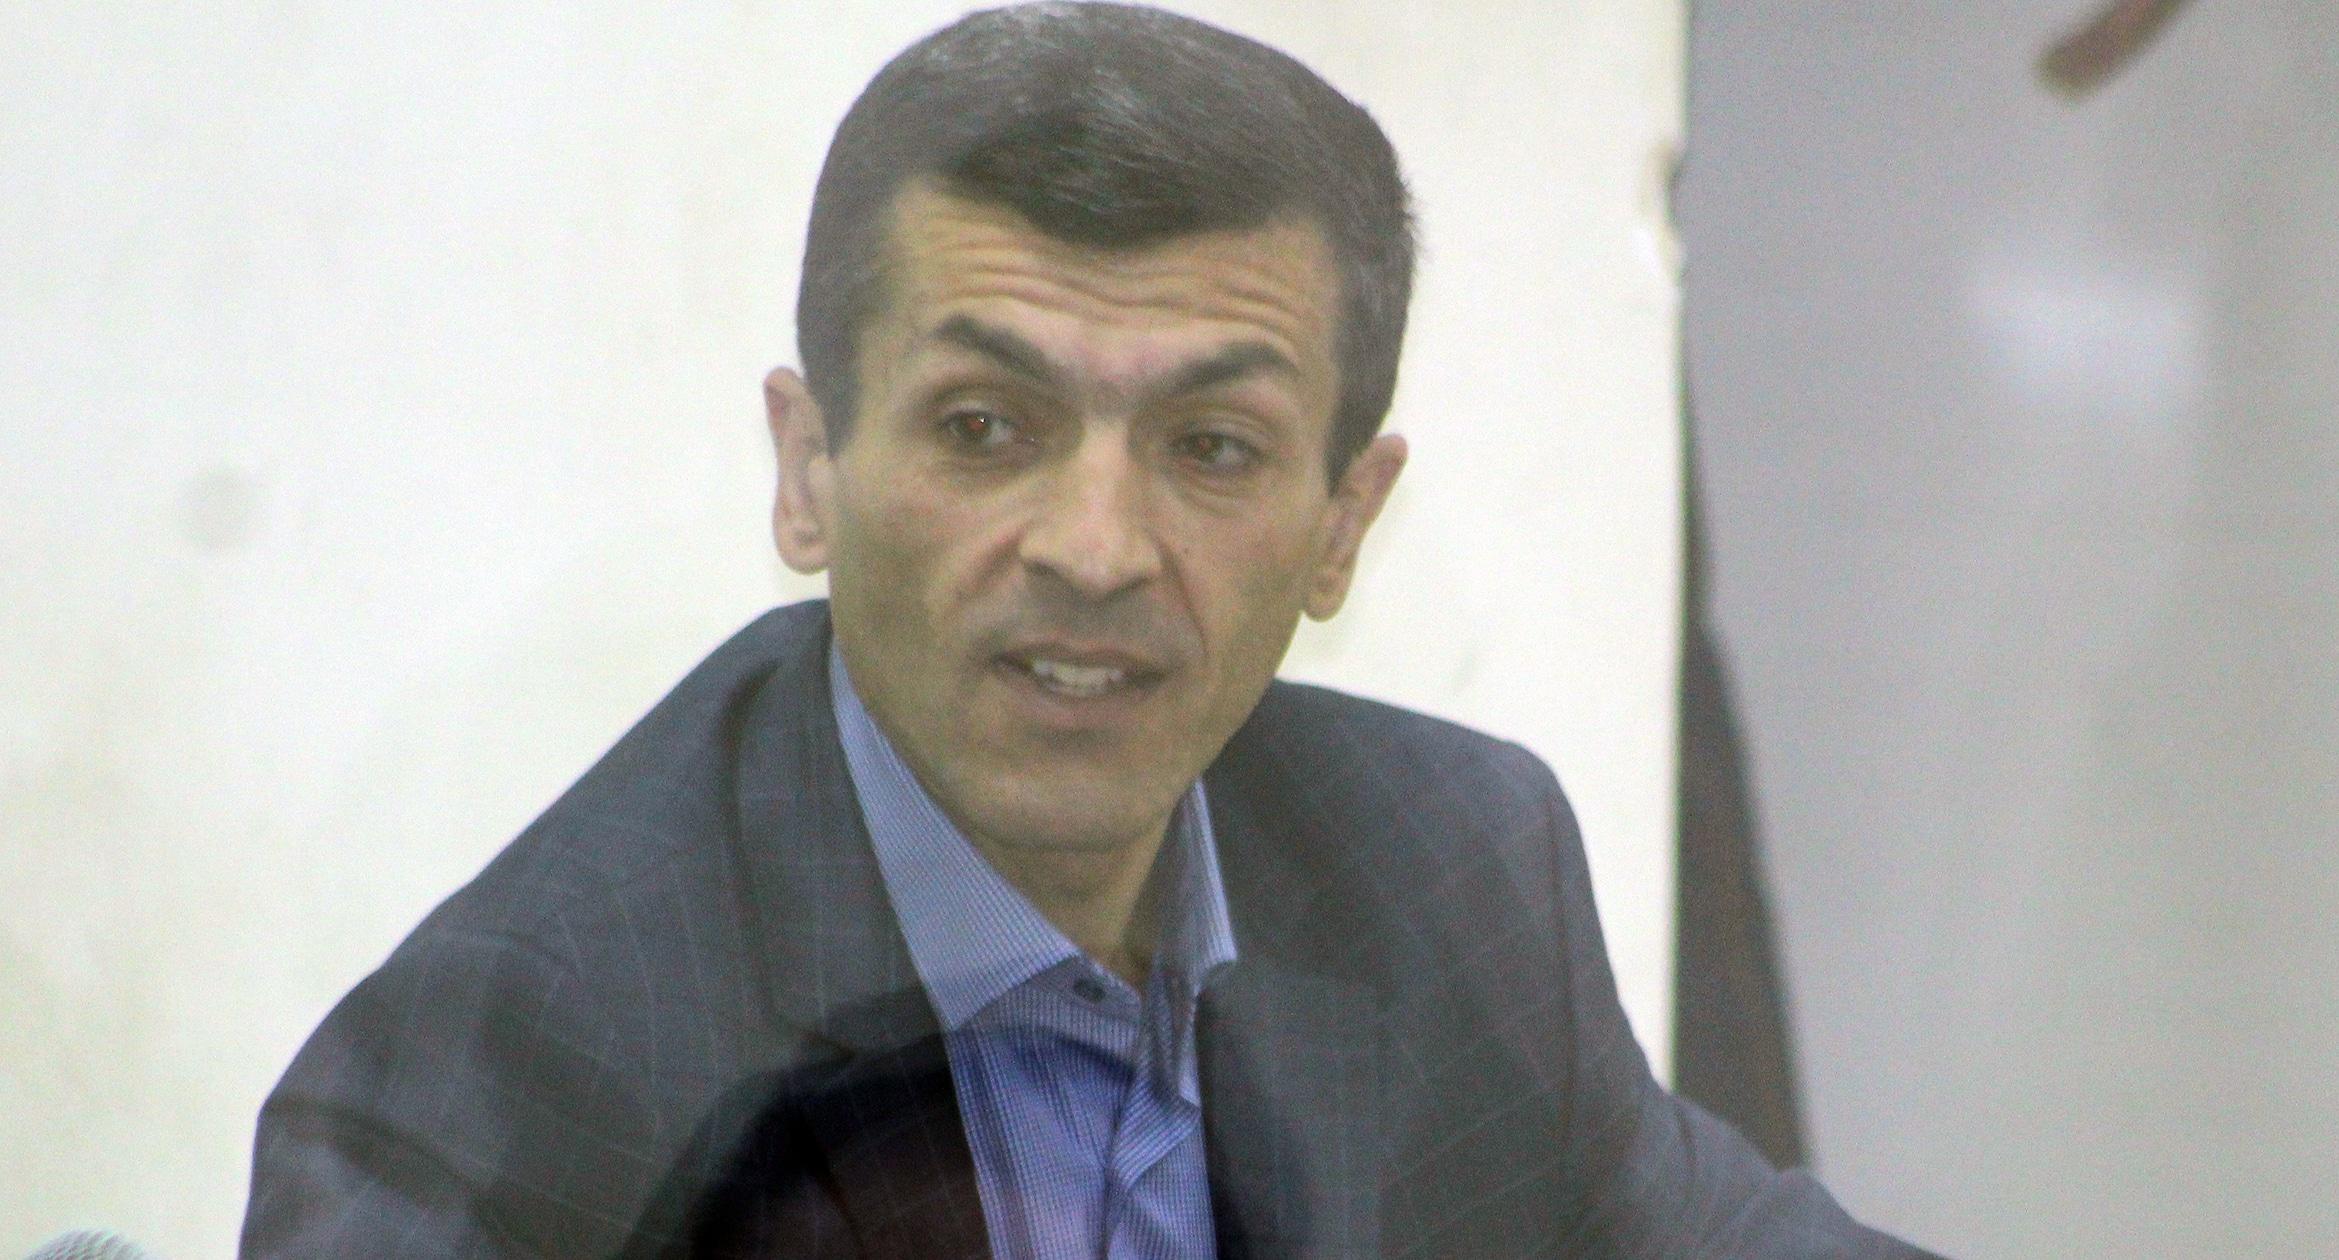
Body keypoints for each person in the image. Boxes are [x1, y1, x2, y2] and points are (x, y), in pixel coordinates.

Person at [240, 4, 1938, 1257]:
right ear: (810, 471)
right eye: (985, 427)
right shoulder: (506, 1075)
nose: (1096, 549)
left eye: (1213, 448)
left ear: (1343, 522)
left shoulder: (1449, 866)